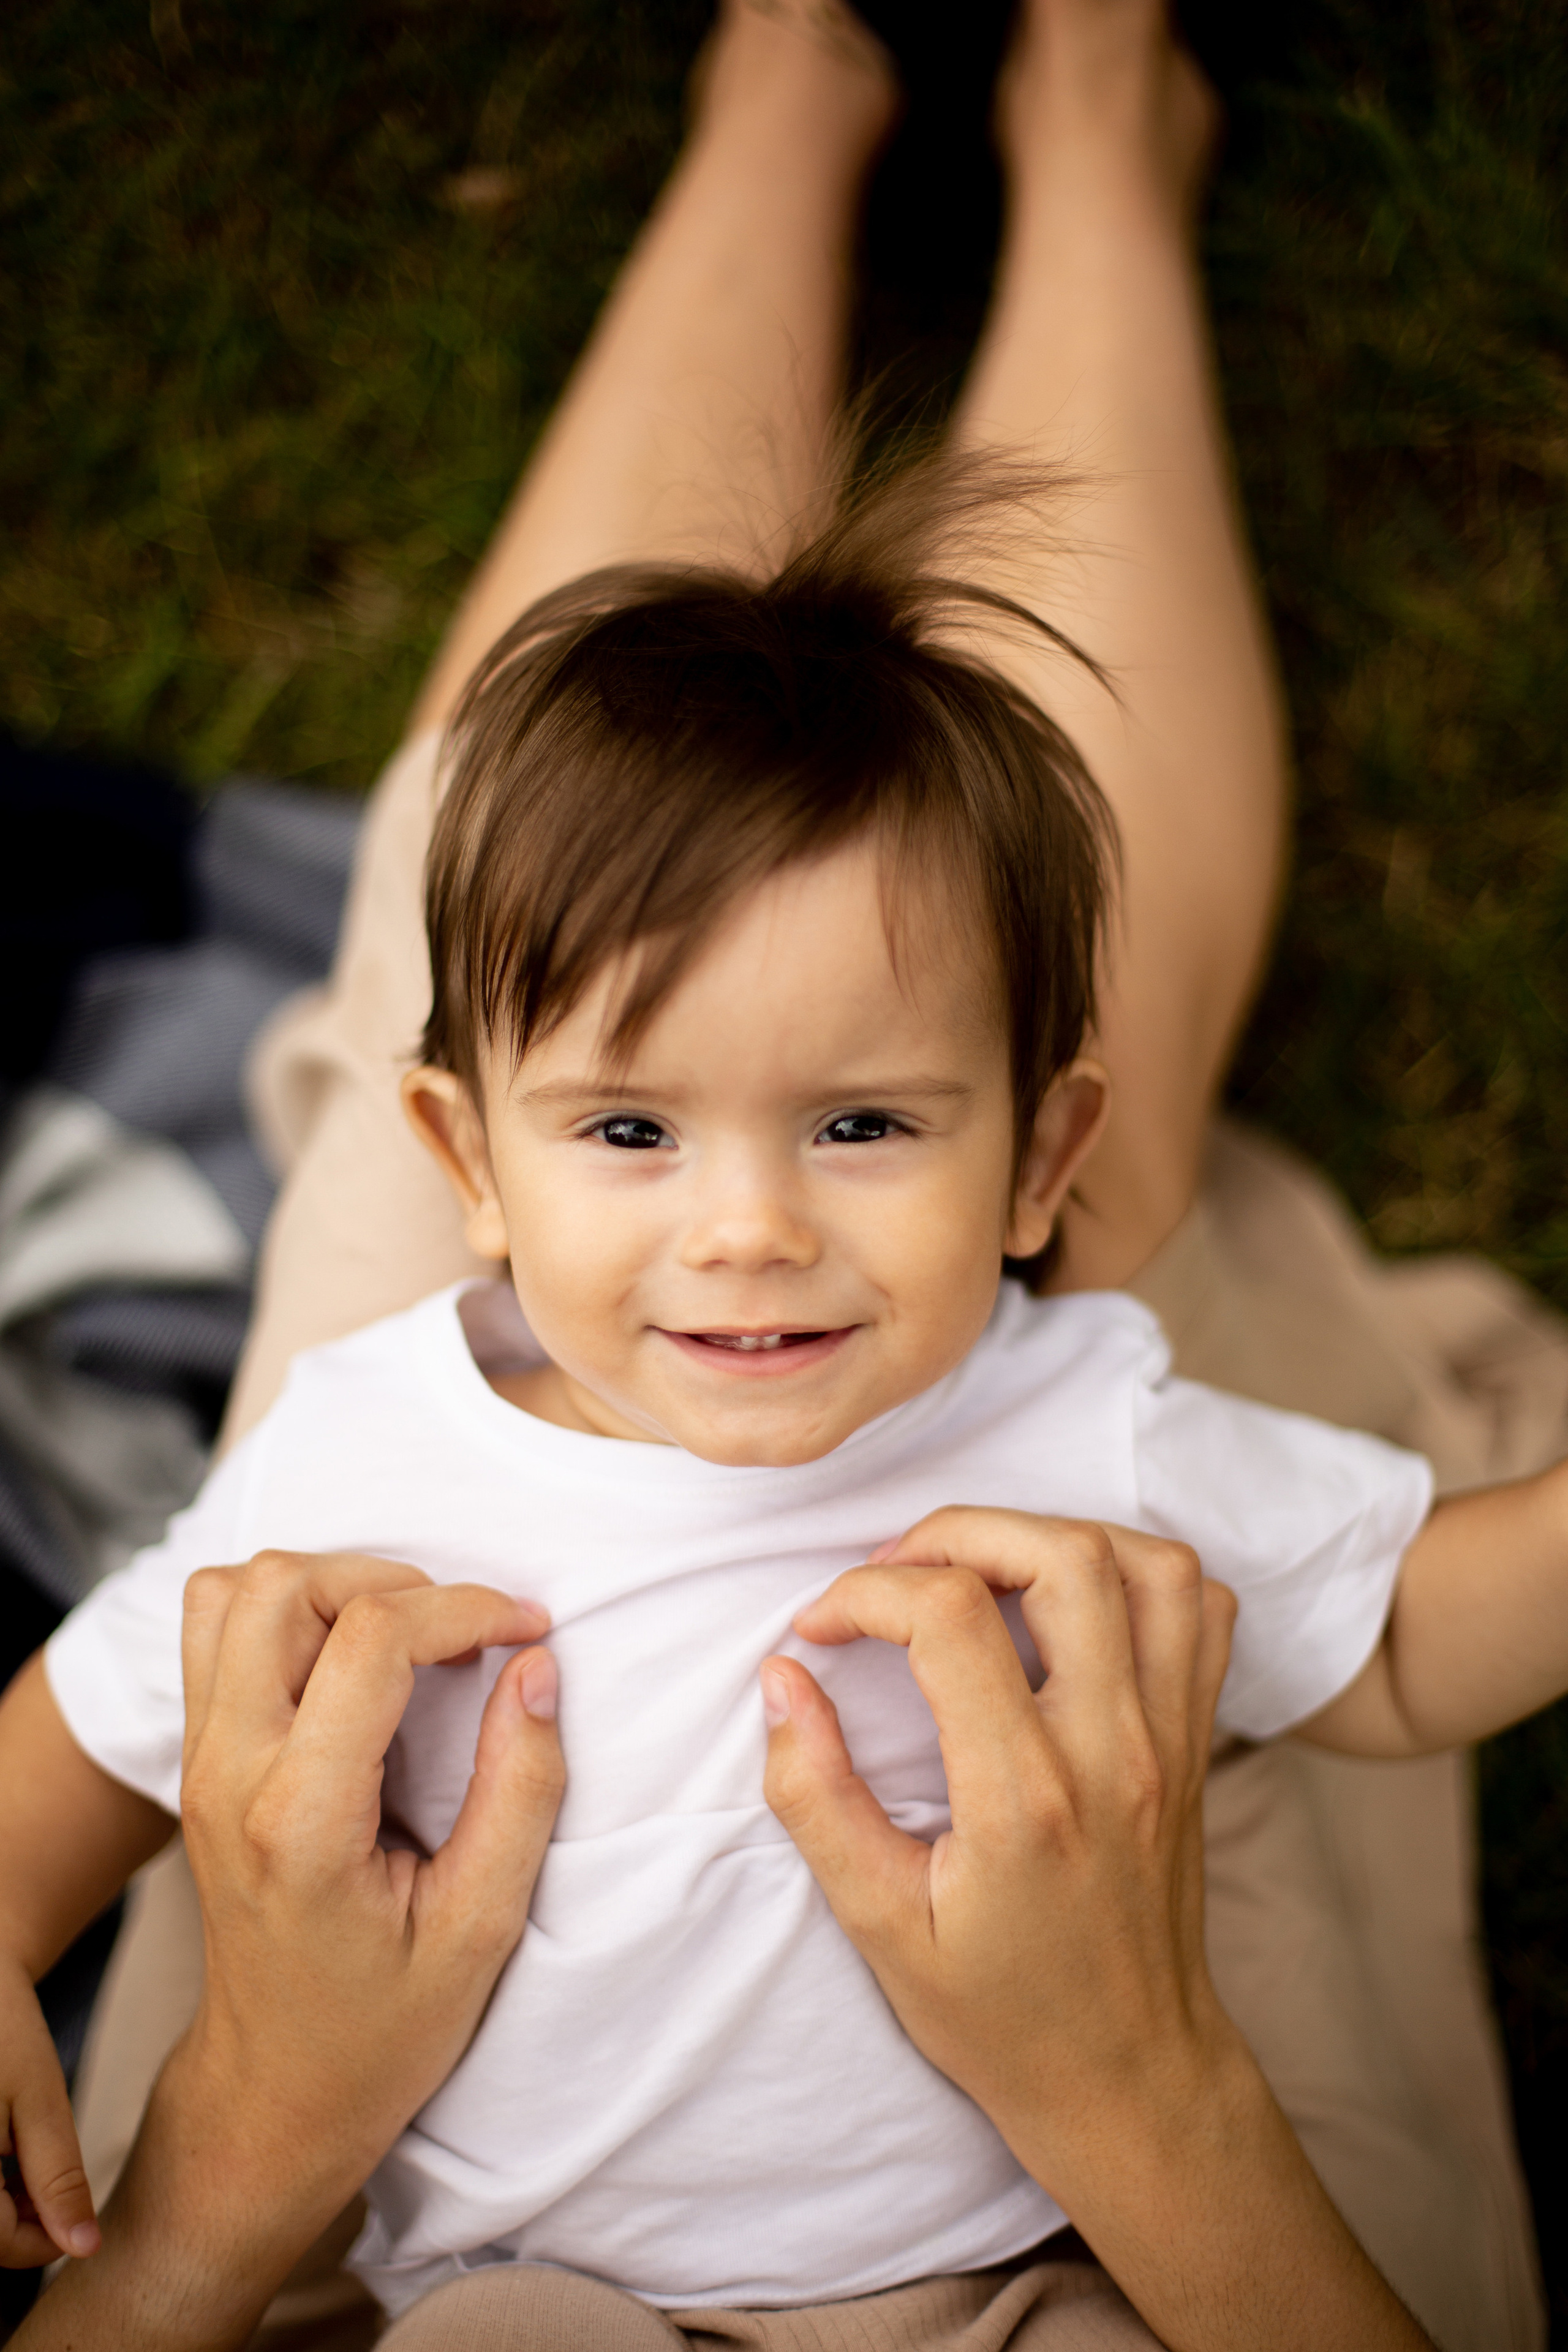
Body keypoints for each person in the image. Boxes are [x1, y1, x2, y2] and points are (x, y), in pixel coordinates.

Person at [0, 0, 1552, 2345]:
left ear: (1046, 1156)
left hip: (985, 2274)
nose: (750, 1230)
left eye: (861, 1128)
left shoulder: (1072, 1421)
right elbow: (103, 1719)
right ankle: (984, 113)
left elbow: (1407, 1640)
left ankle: (895, 91)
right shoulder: (374, 1451)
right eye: (628, 1133)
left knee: (590, 882)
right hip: (481, 2263)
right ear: (471, 1176)